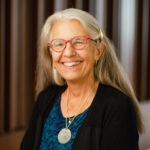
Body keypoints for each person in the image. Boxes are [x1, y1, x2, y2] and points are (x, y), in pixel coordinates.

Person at [21, 8, 144, 150]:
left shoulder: (117, 106)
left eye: (78, 42)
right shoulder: (45, 99)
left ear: (98, 51)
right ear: (51, 56)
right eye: (59, 44)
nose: (68, 53)